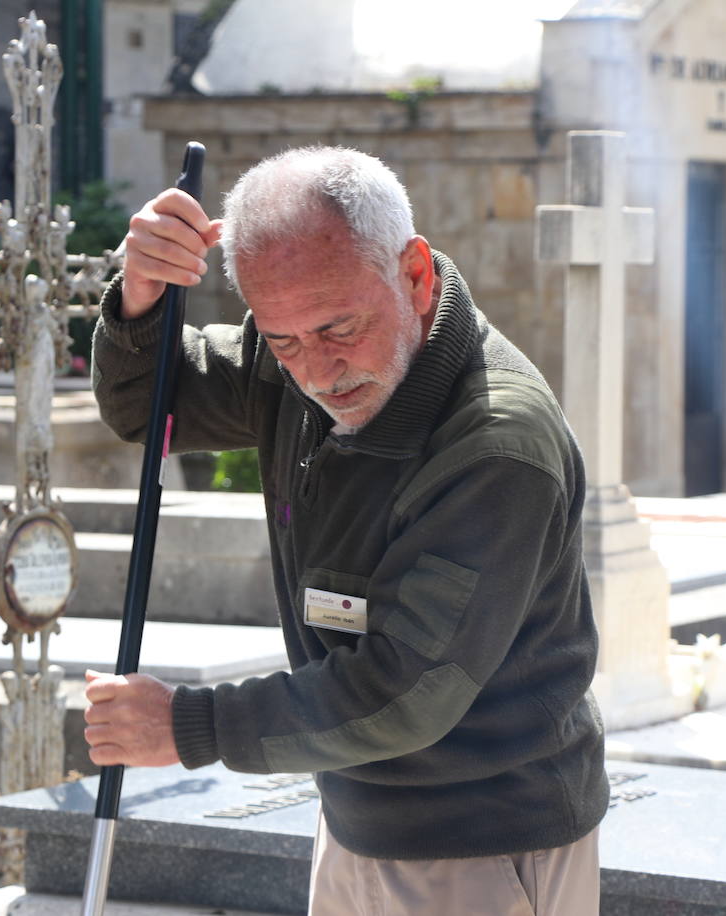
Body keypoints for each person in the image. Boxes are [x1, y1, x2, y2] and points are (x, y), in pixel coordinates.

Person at [84, 146, 607, 915]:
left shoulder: (497, 443)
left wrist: (188, 725)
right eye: (283, 338)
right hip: (358, 818)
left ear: (416, 274)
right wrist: (141, 299)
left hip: (485, 844)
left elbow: (405, 692)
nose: (318, 372)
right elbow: (149, 407)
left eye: (339, 328)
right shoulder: (297, 355)